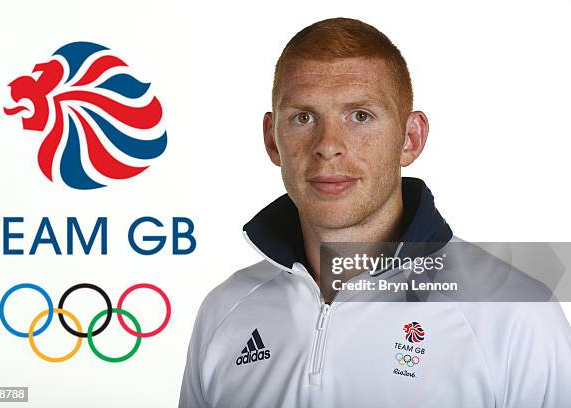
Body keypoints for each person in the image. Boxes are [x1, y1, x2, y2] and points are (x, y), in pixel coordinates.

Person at [179, 17, 571, 407]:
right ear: (272, 139)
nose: (327, 146)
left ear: (410, 138)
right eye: (304, 117)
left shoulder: (516, 315)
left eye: (360, 116)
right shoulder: (225, 312)